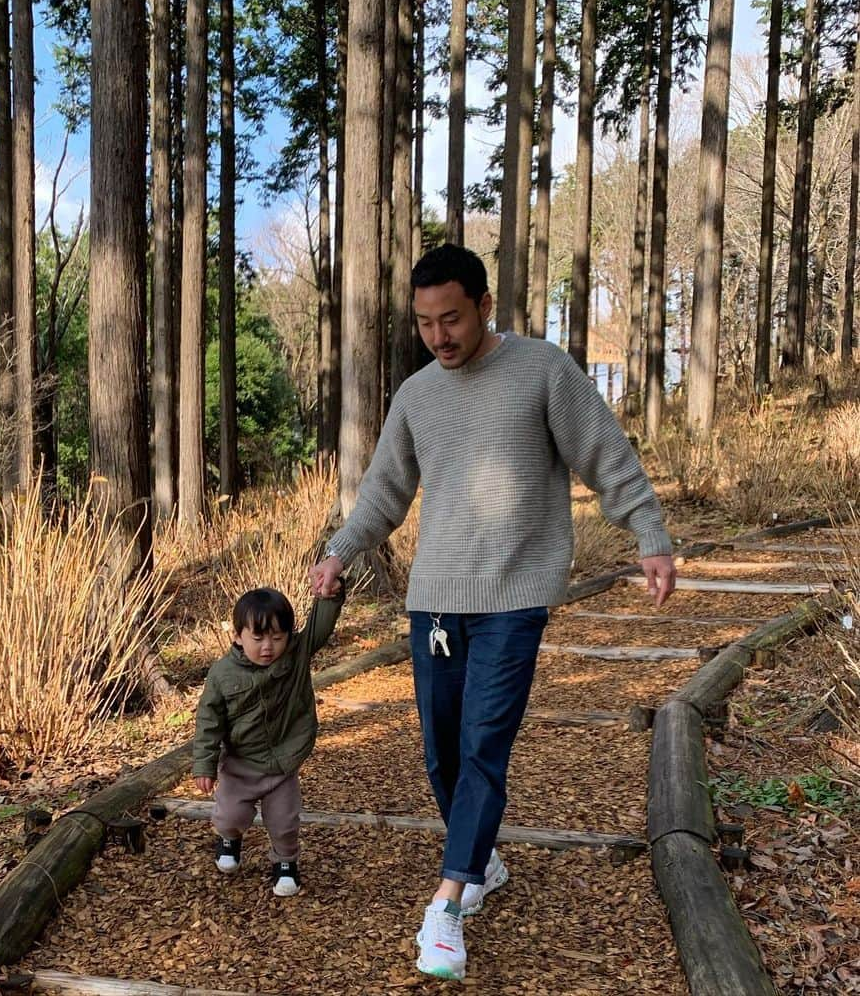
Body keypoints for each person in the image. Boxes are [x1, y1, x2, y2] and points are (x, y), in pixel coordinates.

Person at [309, 243, 676, 981]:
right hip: (436, 603)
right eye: (424, 323)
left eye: (451, 318)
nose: (439, 336)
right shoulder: (416, 396)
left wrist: (650, 534)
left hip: (515, 594)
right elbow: (384, 492)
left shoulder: (541, 370)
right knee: (442, 751)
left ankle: (446, 905)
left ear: (482, 305)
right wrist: (339, 551)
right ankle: (480, 859)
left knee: (483, 744)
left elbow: (606, 454)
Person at [192, 582, 345, 897]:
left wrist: (330, 595)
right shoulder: (222, 674)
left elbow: (319, 626)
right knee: (231, 814)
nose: (268, 647)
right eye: (258, 638)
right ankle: (229, 839)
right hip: (240, 764)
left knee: (284, 820)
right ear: (237, 636)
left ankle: (285, 861)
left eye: (277, 638)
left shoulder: (294, 657)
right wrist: (204, 765)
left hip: (282, 762)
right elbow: (209, 721)